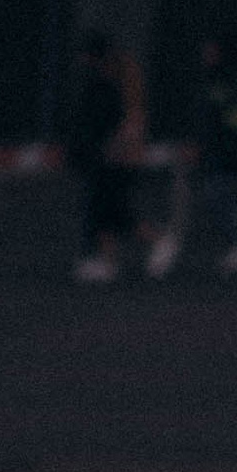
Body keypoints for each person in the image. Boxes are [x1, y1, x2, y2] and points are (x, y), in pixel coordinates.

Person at [63, 30, 147, 284]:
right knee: (105, 212)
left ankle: (156, 241)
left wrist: (116, 150)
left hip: (111, 158)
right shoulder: (108, 83)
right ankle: (105, 261)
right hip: (108, 157)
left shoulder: (109, 86)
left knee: (110, 213)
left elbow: (122, 124)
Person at [193, 37, 237, 274]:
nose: (206, 56)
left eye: (211, 52)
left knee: (219, 197)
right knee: (222, 198)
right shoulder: (211, 81)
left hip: (228, 151)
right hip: (216, 151)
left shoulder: (230, 81)